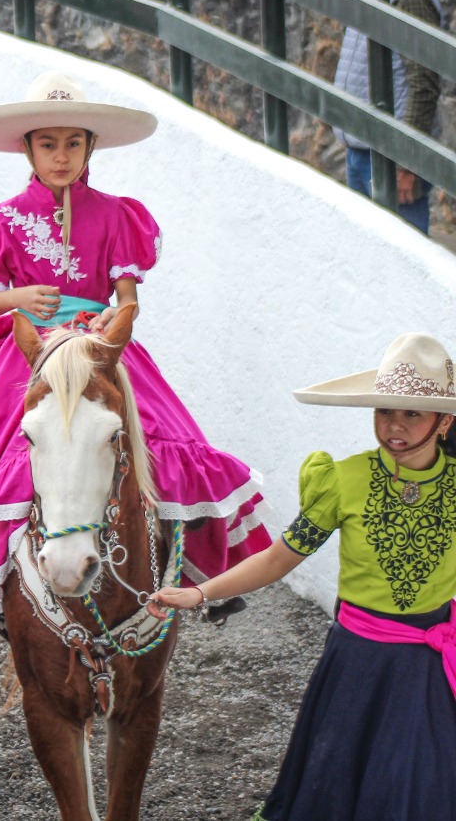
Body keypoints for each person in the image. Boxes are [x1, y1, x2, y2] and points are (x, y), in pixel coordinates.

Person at [0, 72, 271, 632]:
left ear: (90, 148)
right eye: (48, 144)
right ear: (28, 148)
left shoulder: (117, 215)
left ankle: (203, 574)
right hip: (27, 349)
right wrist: (18, 297)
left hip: (98, 347)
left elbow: (128, 299)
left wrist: (114, 316)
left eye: (73, 143)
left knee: (175, 439)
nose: (61, 156)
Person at [152, 333, 456, 820]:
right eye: (384, 411)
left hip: (428, 665)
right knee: (339, 773)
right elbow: (278, 559)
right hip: (357, 661)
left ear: (445, 422)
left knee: (415, 776)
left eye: (412, 413)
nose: (394, 425)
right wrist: (201, 591)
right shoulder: (343, 479)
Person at [313, 0, 444, 235]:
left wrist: (407, 165)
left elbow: (424, 86)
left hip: (390, 161)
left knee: (403, 267)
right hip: (369, 154)